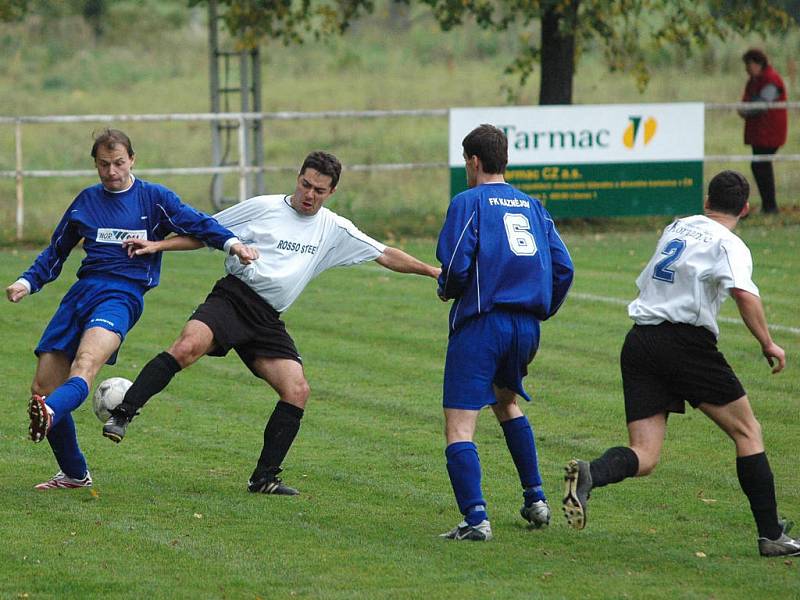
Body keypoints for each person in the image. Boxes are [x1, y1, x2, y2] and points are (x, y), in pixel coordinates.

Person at [101, 151, 440, 495]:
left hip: (267, 319)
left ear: (331, 192)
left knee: (297, 390)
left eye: (319, 190)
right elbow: (207, 232)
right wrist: (158, 245)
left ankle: (264, 478)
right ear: (297, 177)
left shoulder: (334, 229)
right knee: (187, 347)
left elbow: (385, 253)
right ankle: (123, 413)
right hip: (232, 299)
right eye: (305, 184)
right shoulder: (263, 207)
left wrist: (432, 271)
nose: (309, 195)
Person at [562, 170, 800, 557]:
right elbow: (743, 293)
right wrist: (768, 342)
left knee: (645, 454)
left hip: (640, 341)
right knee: (748, 432)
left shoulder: (679, 226)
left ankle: (592, 473)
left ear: (706, 202)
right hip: (685, 344)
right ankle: (771, 535)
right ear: (745, 208)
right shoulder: (730, 244)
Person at [5, 128, 256, 491]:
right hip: (79, 295)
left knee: (85, 365)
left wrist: (233, 244)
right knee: (42, 388)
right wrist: (26, 283)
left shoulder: (153, 198)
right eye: (104, 164)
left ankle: (51, 414)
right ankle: (74, 473)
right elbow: (56, 251)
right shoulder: (85, 202)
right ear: (95, 163)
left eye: (119, 163)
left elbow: (198, 223)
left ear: (132, 160)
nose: (111, 172)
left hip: (121, 297)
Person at [435, 124, 574, 541]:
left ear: (474, 162)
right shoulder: (532, 204)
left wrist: (447, 289)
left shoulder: (468, 202)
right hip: (526, 327)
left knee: (459, 425)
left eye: (466, 162)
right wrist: (541, 308)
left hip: (483, 324)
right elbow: (564, 267)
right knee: (505, 402)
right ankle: (536, 499)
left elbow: (457, 262)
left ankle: (475, 519)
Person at [737, 48, 787, 214]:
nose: (746, 69)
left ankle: (770, 206)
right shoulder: (755, 80)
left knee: (761, 165)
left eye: (748, 64)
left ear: (757, 63)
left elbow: (763, 104)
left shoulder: (770, 80)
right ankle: (769, 206)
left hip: (769, 132)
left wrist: (745, 110)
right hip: (760, 132)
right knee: (760, 165)